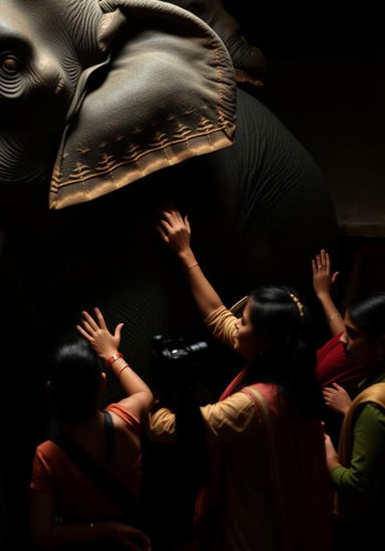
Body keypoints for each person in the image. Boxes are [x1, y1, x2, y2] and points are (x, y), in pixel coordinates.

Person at [148, 207, 332, 550]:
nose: (237, 324)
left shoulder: (255, 404)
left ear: (264, 341)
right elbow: (219, 316)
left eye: (244, 321)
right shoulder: (291, 372)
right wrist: (185, 252)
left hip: (253, 533)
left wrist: (143, 391)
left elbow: (171, 429)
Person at [30, 308, 154, 550]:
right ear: (102, 382)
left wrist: (105, 531)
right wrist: (111, 354)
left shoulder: (46, 456)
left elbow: (42, 535)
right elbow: (144, 393)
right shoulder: (124, 420)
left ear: (50, 390)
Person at [322, 292, 385, 547]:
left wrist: (327, 455)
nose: (343, 341)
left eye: (353, 334)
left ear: (380, 344)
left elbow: (356, 485)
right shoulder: (373, 378)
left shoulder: (373, 405)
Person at [311, 249, 368, 441]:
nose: (343, 338)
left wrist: (348, 409)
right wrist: (323, 295)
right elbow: (342, 333)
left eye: (352, 334)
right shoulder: (357, 349)